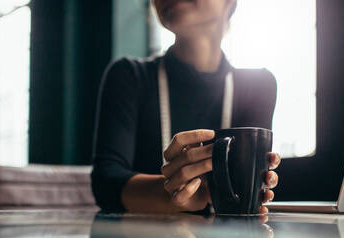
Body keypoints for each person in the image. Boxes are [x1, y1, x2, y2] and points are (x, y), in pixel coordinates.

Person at [92, 0, 281, 214]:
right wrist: (181, 194)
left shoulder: (259, 86)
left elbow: (251, 187)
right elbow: (105, 183)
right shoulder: (128, 76)